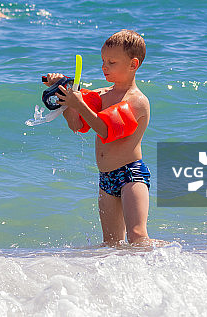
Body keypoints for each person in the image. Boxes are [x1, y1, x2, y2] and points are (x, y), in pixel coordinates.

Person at [44, 30, 151, 246]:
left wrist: (79, 103)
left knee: (137, 237)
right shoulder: (101, 95)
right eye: (103, 61)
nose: (104, 67)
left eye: (112, 62)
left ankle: (175, 256)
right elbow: (77, 124)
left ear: (133, 65)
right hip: (106, 178)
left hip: (131, 176)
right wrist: (64, 94)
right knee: (110, 244)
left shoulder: (137, 101)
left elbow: (105, 130)